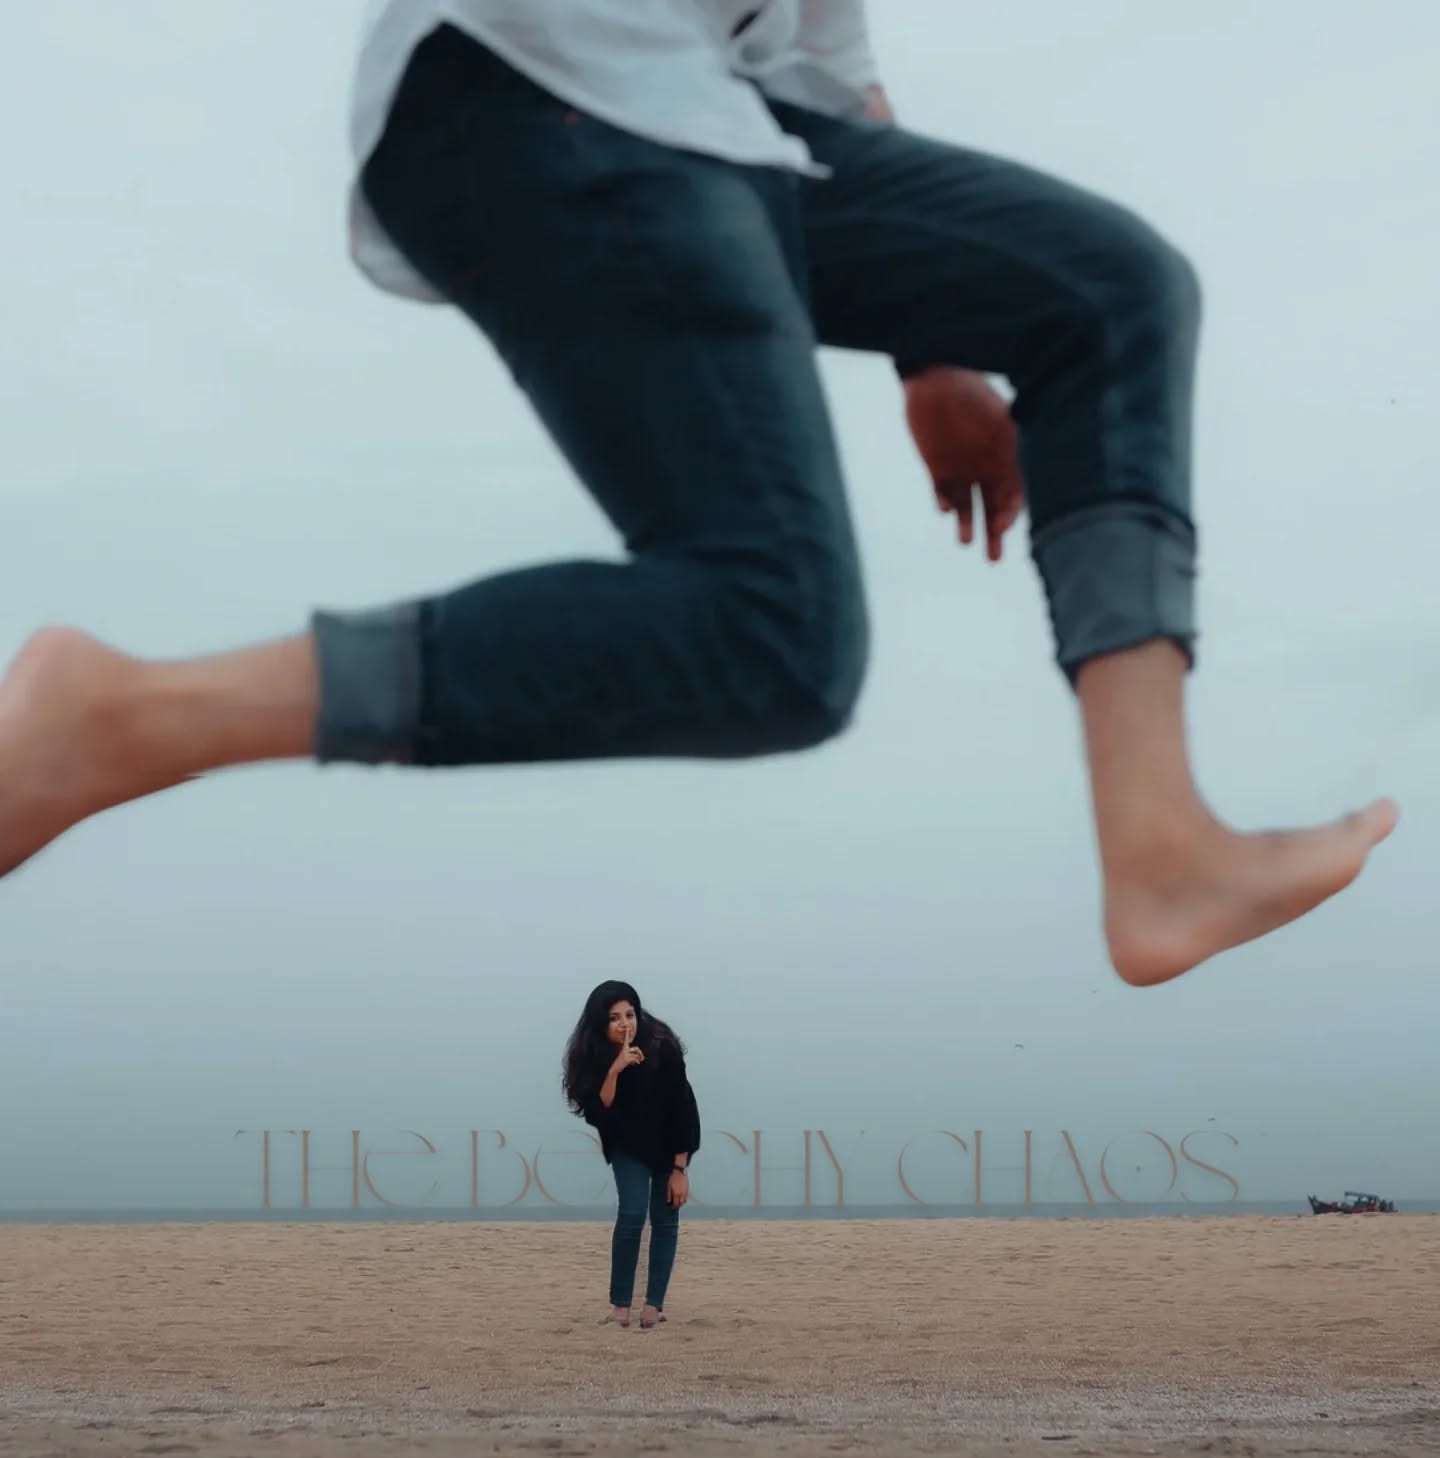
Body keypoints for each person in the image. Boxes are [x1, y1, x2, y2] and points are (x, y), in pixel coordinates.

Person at [0, 1, 1395, 986]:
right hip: (539, 75)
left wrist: (933, 348)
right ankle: (121, 716)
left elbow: (830, 65)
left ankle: (1161, 851)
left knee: (1109, 294)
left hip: (724, 120)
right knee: (772, 632)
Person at [562, 980, 701, 1329]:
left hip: (671, 1140)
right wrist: (616, 1068)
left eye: (630, 1014)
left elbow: (682, 1108)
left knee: (666, 1216)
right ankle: (620, 1306)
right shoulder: (592, 1056)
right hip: (627, 1142)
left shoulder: (661, 1045)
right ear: (599, 1024)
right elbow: (598, 1111)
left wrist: (680, 1169)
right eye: (614, 1018)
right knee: (633, 1213)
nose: (625, 1023)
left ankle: (654, 1305)